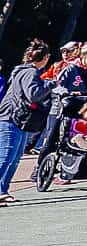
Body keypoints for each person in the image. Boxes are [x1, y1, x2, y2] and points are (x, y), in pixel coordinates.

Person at [0, 40, 53, 205]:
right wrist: (51, 84)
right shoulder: (30, 73)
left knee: (14, 158)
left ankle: (3, 190)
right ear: (44, 58)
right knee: (6, 156)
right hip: (11, 118)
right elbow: (33, 94)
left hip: (20, 121)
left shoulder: (25, 71)